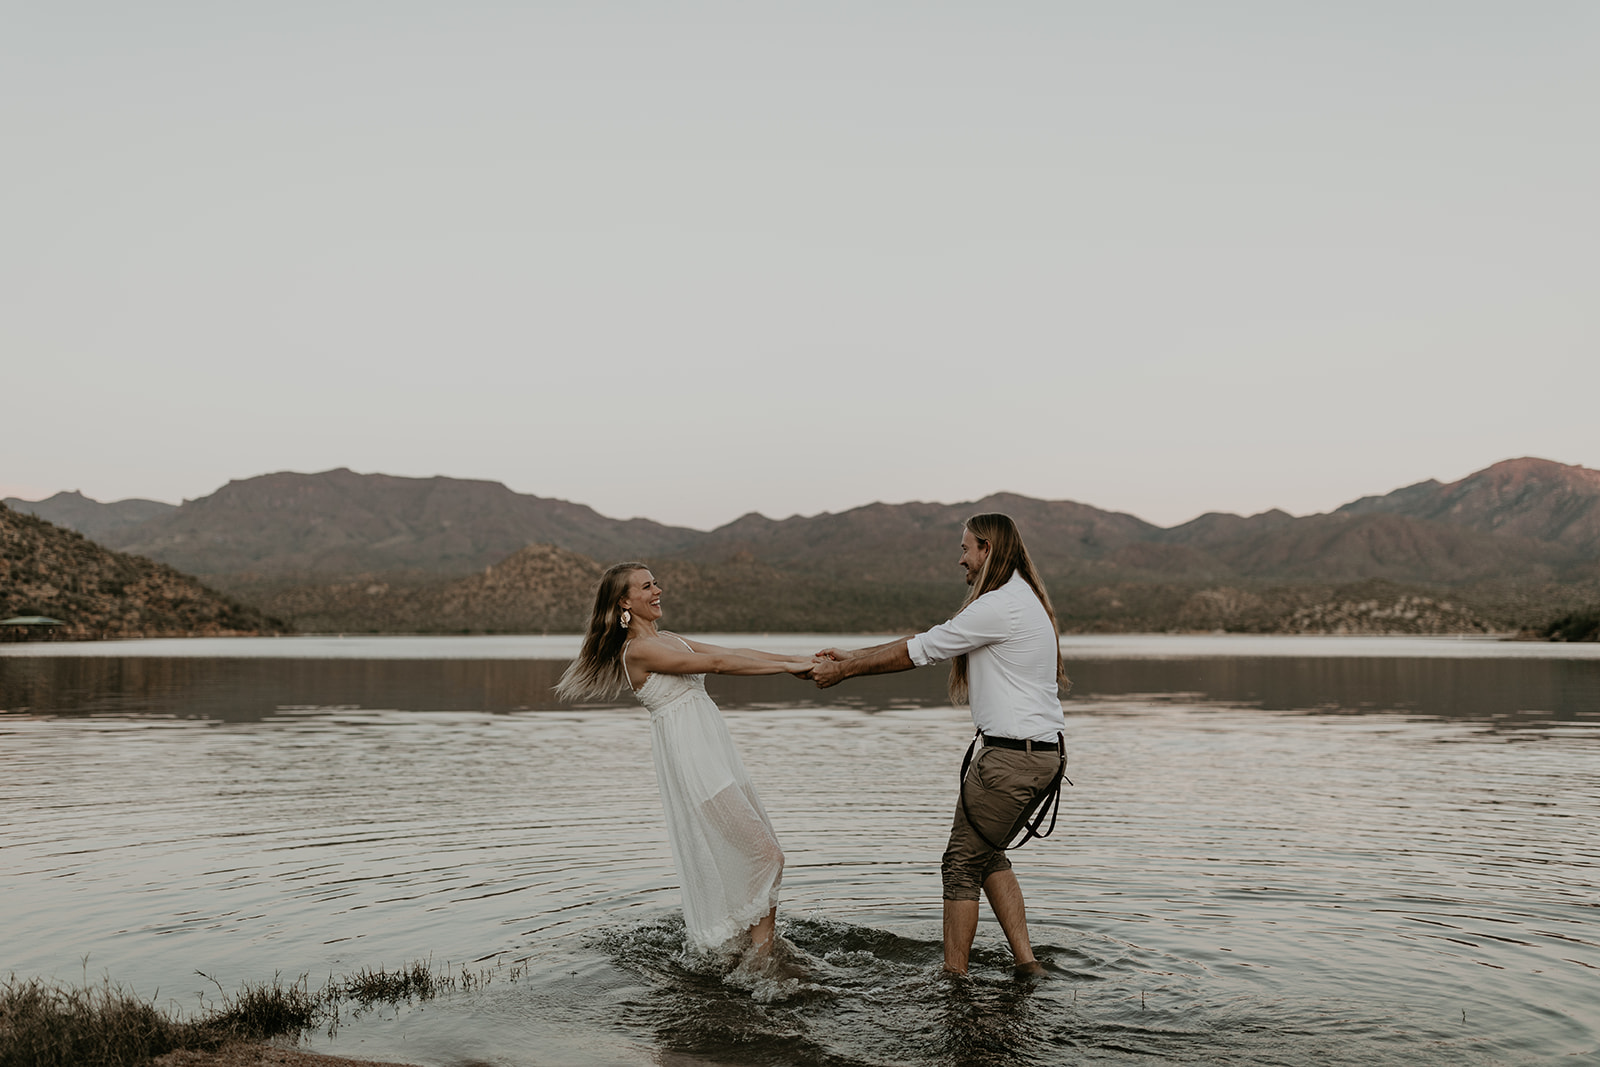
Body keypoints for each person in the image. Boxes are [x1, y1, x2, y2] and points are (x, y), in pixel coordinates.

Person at [810, 513, 1070, 977]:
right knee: (987, 854)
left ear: (988, 549)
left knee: (960, 864)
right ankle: (1028, 966)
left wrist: (846, 671)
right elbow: (929, 639)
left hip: (1009, 759)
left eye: (967, 548)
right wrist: (855, 654)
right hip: (1041, 756)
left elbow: (919, 652)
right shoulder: (1020, 598)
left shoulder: (999, 606)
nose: (961, 558)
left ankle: (954, 980)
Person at [555, 562, 814, 957]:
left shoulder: (670, 638)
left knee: (762, 854)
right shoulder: (638, 651)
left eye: (655, 583)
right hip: (696, 764)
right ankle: (760, 959)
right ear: (624, 601)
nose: (657, 590)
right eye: (646, 586)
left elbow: (731, 652)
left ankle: (753, 949)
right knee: (767, 856)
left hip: (717, 757)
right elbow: (719, 665)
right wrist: (787, 667)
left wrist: (801, 660)